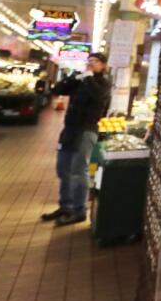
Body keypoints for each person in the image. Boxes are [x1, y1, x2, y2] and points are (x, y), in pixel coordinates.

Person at [43, 52, 111, 226]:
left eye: (95, 61)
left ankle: (79, 210)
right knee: (63, 168)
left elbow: (98, 98)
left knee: (79, 170)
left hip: (86, 130)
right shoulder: (80, 80)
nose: (91, 64)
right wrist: (74, 77)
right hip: (70, 129)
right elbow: (58, 90)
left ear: (103, 65)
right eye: (89, 61)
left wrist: (88, 78)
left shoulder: (103, 83)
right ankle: (65, 206)